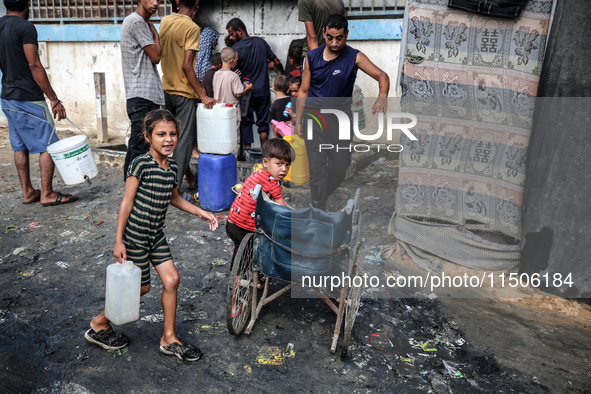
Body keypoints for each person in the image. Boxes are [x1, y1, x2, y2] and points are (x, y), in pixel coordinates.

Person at [85, 109, 218, 361]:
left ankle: (169, 338)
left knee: (172, 280)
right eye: (161, 134)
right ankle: (99, 323)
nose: (168, 139)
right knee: (141, 288)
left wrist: (200, 212)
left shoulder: (173, 167)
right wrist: (118, 240)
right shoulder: (140, 163)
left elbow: (175, 198)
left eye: (173, 134)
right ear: (148, 137)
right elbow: (126, 202)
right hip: (135, 235)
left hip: (155, 235)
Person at [295, 14, 389, 210]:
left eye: (339, 37)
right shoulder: (311, 58)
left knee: (340, 167)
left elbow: (381, 75)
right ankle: (318, 209)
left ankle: (318, 202)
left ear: (347, 34)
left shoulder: (355, 57)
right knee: (317, 168)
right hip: (315, 118)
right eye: (330, 37)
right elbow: (303, 91)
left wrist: (382, 95)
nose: (335, 42)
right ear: (323, 33)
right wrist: (298, 121)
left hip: (341, 120)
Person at [0, 0, 76, 207]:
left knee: (19, 146)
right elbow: (34, 65)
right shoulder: (25, 27)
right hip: (28, 97)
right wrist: (53, 98)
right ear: (27, 4)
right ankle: (47, 193)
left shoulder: (0, 25)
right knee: (49, 145)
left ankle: (28, 192)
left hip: (7, 96)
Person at [160, 0, 216, 190]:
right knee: (183, 143)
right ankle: (172, 189)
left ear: (178, 3)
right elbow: (187, 65)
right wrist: (202, 95)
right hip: (184, 93)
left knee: (168, 140)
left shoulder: (165, 21)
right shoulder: (192, 28)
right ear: (196, 8)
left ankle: (189, 178)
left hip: (166, 90)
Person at [226, 138, 292, 266]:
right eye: (279, 164)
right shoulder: (272, 182)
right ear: (265, 162)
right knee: (248, 255)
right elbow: (282, 208)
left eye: (287, 165)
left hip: (231, 222)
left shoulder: (258, 173)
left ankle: (243, 275)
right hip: (244, 228)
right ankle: (236, 284)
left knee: (241, 252)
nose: (284, 169)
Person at [121, 0, 165, 180]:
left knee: (140, 146)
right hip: (141, 95)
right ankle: (130, 191)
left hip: (145, 95)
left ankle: (133, 190)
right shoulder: (137, 22)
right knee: (139, 146)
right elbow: (156, 56)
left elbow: (158, 54)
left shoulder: (142, 23)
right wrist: (155, 32)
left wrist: (154, 32)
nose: (155, 3)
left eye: (159, 0)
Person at [226, 18, 284, 149]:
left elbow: (231, 70)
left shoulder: (235, 50)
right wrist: (282, 72)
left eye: (232, 34)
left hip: (246, 93)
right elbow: (275, 61)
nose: (231, 37)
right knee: (263, 124)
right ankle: (264, 153)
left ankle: (247, 153)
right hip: (263, 92)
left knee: (246, 123)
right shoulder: (261, 43)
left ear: (240, 31)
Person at [212, 47, 253, 154]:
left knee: (221, 139)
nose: (236, 62)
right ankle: (232, 162)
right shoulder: (234, 76)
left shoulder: (216, 74)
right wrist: (247, 88)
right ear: (231, 60)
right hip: (231, 113)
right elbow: (238, 93)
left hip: (218, 112)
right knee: (233, 140)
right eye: (236, 60)